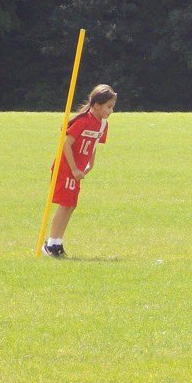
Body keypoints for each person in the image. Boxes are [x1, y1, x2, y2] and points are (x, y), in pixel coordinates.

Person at [43, 84, 117, 258]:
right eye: (108, 107)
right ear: (97, 105)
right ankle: (51, 243)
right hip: (66, 167)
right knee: (64, 204)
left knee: (71, 205)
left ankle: (58, 242)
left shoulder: (102, 125)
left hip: (77, 170)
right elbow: (66, 144)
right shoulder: (83, 121)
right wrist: (74, 168)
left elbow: (93, 145)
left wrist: (91, 164)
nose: (111, 111)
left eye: (112, 107)